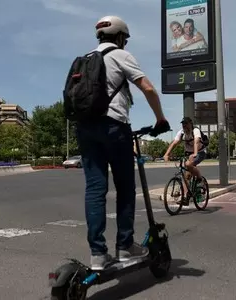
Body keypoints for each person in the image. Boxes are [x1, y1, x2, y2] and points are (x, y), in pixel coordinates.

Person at [76, 15, 170, 271]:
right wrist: (160, 119)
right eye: (124, 39)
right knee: (126, 187)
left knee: (95, 189)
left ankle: (98, 254)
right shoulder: (120, 55)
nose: (125, 43)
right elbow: (148, 89)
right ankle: (125, 246)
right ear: (119, 37)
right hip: (113, 125)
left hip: (84, 128)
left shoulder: (84, 59)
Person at [163, 117, 206, 203]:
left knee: (188, 164)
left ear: (191, 124)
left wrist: (195, 153)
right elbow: (174, 143)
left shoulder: (195, 131)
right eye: (183, 124)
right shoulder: (181, 132)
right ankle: (186, 197)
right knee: (186, 176)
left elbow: (196, 142)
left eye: (186, 123)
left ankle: (200, 179)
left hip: (200, 152)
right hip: (188, 153)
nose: (184, 126)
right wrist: (166, 154)